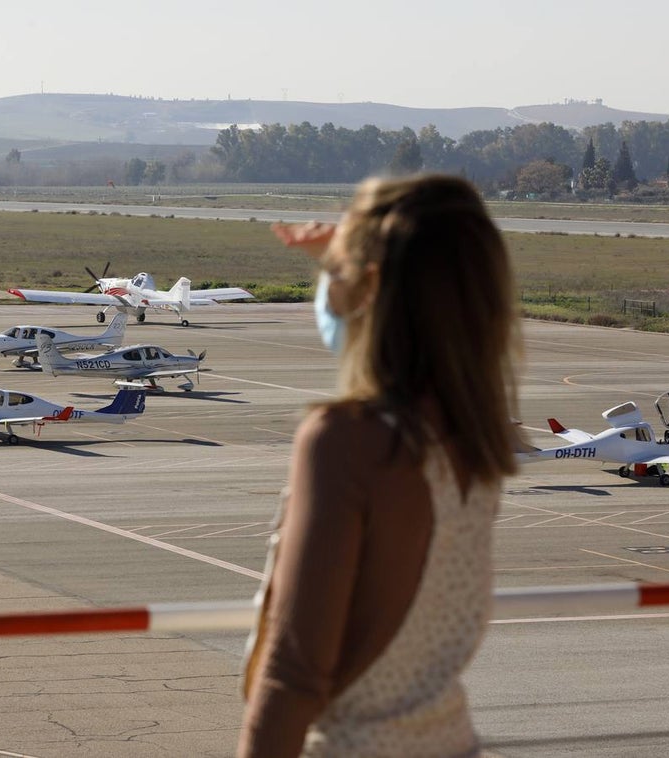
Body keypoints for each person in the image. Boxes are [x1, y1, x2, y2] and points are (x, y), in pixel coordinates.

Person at [239, 174, 520, 758]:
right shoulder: (476, 440)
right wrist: (361, 259)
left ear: (371, 288)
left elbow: (294, 675)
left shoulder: (347, 443)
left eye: (336, 273)